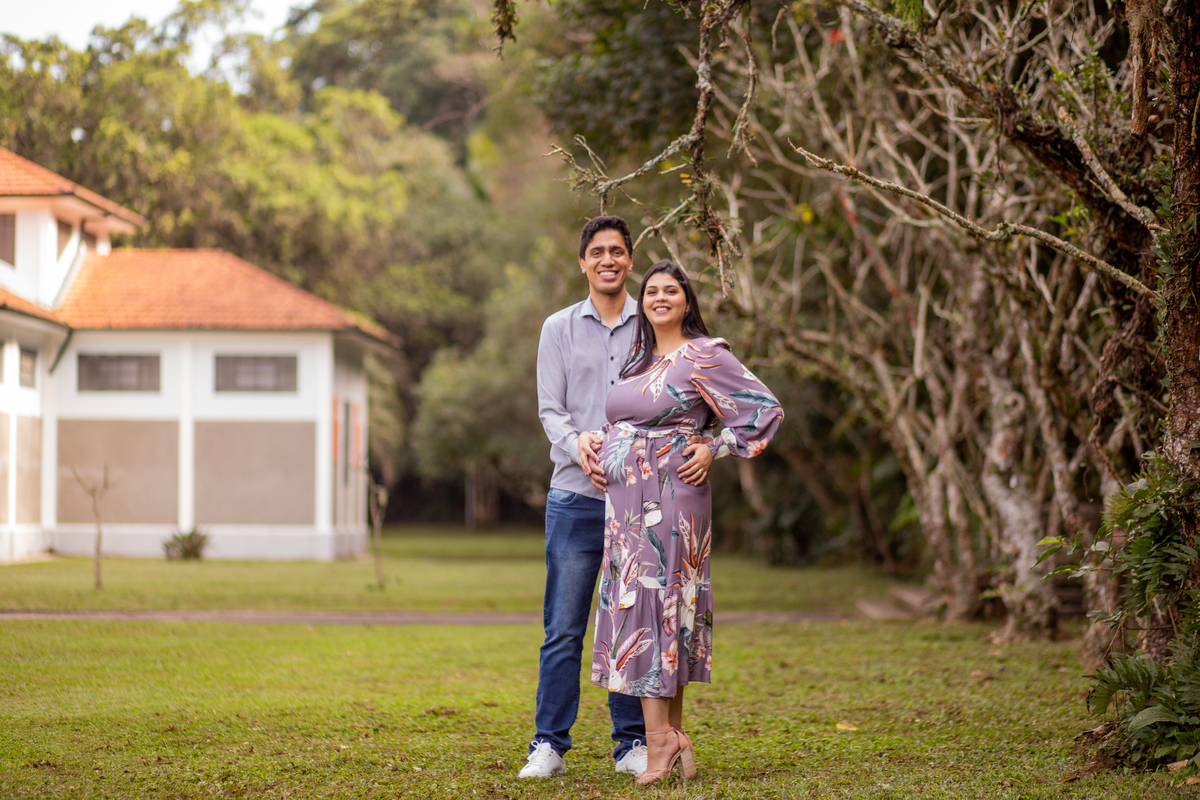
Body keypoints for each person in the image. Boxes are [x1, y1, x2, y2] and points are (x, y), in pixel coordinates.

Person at [524, 217, 715, 779]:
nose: (607, 260)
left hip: (643, 502)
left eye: (616, 251)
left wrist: (707, 444)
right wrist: (577, 443)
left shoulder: (654, 321)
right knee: (564, 627)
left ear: (630, 260)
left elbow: (692, 394)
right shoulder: (558, 328)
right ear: (583, 262)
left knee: (635, 621)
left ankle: (632, 742)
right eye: (596, 252)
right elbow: (550, 409)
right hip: (576, 497)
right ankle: (549, 744)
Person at [589, 259, 784, 786]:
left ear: (687, 300)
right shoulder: (640, 359)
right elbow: (623, 423)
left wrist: (715, 446)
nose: (659, 297)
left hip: (670, 501)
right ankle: (670, 735)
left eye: (670, 290)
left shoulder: (704, 354)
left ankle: (658, 744)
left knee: (657, 607)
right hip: (626, 511)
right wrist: (595, 446)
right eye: (651, 290)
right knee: (656, 611)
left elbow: (764, 409)